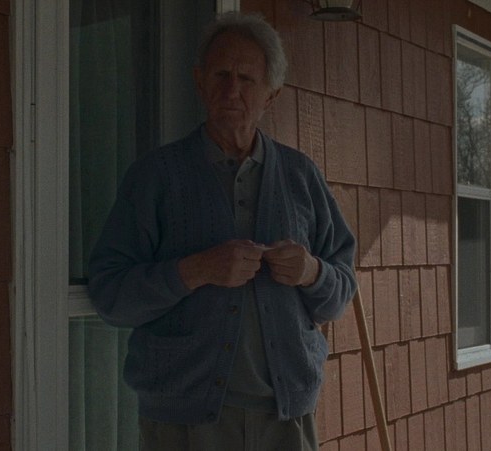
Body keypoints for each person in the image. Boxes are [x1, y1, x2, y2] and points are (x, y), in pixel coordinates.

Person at [88, 12, 357, 450]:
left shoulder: (301, 176)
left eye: (247, 79)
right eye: (221, 75)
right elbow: (109, 294)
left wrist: (311, 272)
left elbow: (341, 291)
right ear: (199, 81)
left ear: (271, 94)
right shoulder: (156, 176)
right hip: (183, 423)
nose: (232, 90)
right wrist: (195, 270)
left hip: (286, 420)